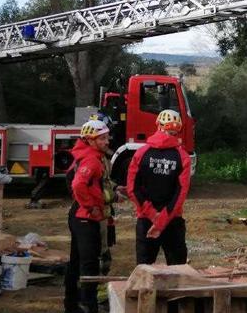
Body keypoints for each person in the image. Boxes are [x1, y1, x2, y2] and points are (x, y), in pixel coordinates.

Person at [64, 119, 116, 313]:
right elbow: (78, 185)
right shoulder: (92, 160)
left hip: (81, 216)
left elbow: (99, 185)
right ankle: (89, 306)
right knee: (89, 263)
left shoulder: (92, 156)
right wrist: (91, 206)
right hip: (85, 218)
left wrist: (115, 192)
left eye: (107, 137)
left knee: (77, 261)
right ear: (90, 140)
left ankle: (71, 304)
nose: (107, 141)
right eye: (102, 138)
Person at [127, 109, 191, 265]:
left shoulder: (141, 153)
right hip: (172, 220)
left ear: (158, 126)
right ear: (177, 130)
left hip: (146, 220)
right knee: (178, 270)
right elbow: (180, 193)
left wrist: (152, 215)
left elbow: (132, 189)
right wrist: (162, 219)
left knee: (143, 271)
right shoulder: (182, 156)